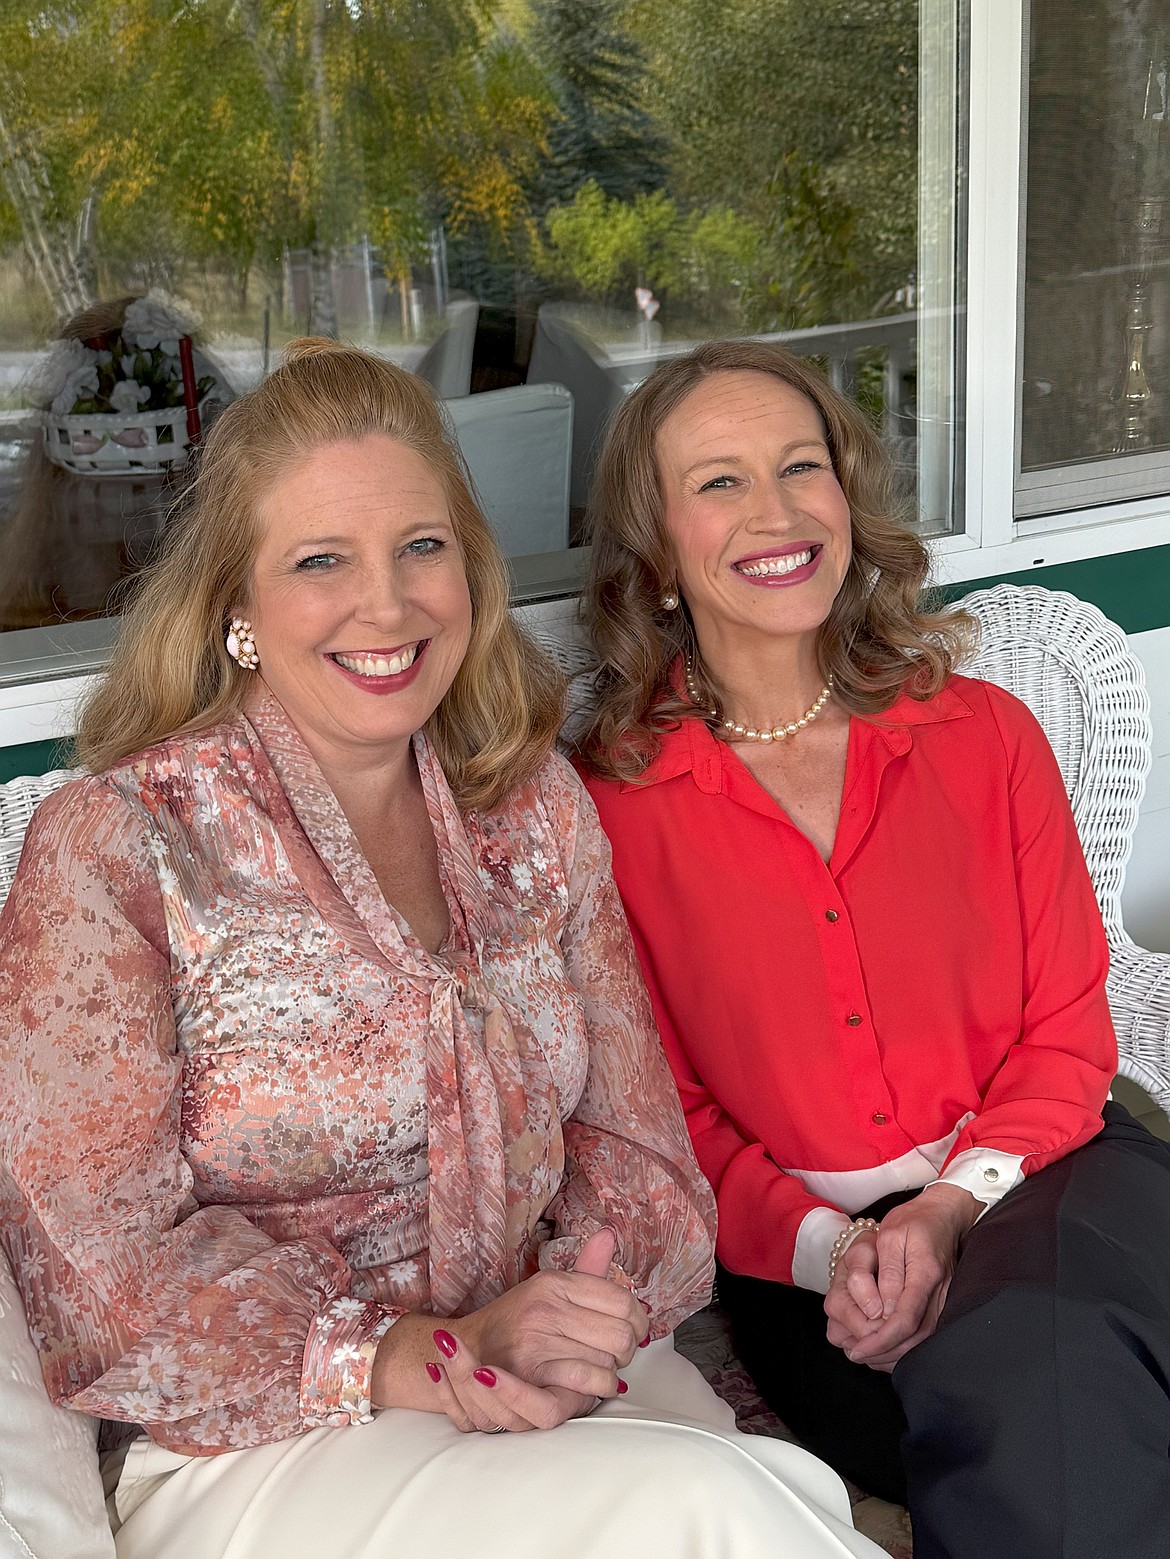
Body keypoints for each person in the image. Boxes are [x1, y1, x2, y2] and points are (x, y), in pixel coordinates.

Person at [0, 340, 886, 1559]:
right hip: (272, 1439)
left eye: (422, 547)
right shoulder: (120, 845)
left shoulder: (532, 811)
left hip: (563, 1380)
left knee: (786, 1497)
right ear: (237, 609)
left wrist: (579, 1303)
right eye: (321, 561)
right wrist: (429, 1353)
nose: (389, 603)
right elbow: (95, 1265)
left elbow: (642, 1150)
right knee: (723, 1511)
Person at [576, 338, 1170, 1559]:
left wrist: (951, 1206)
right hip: (817, 1279)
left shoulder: (982, 735)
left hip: (1044, 1171)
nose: (778, 511)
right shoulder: (612, 810)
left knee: (1047, 1357)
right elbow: (665, 1118)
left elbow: (1070, 1030)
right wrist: (843, 1248)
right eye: (720, 482)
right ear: (657, 546)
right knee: (1050, 1399)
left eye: (804, 467)